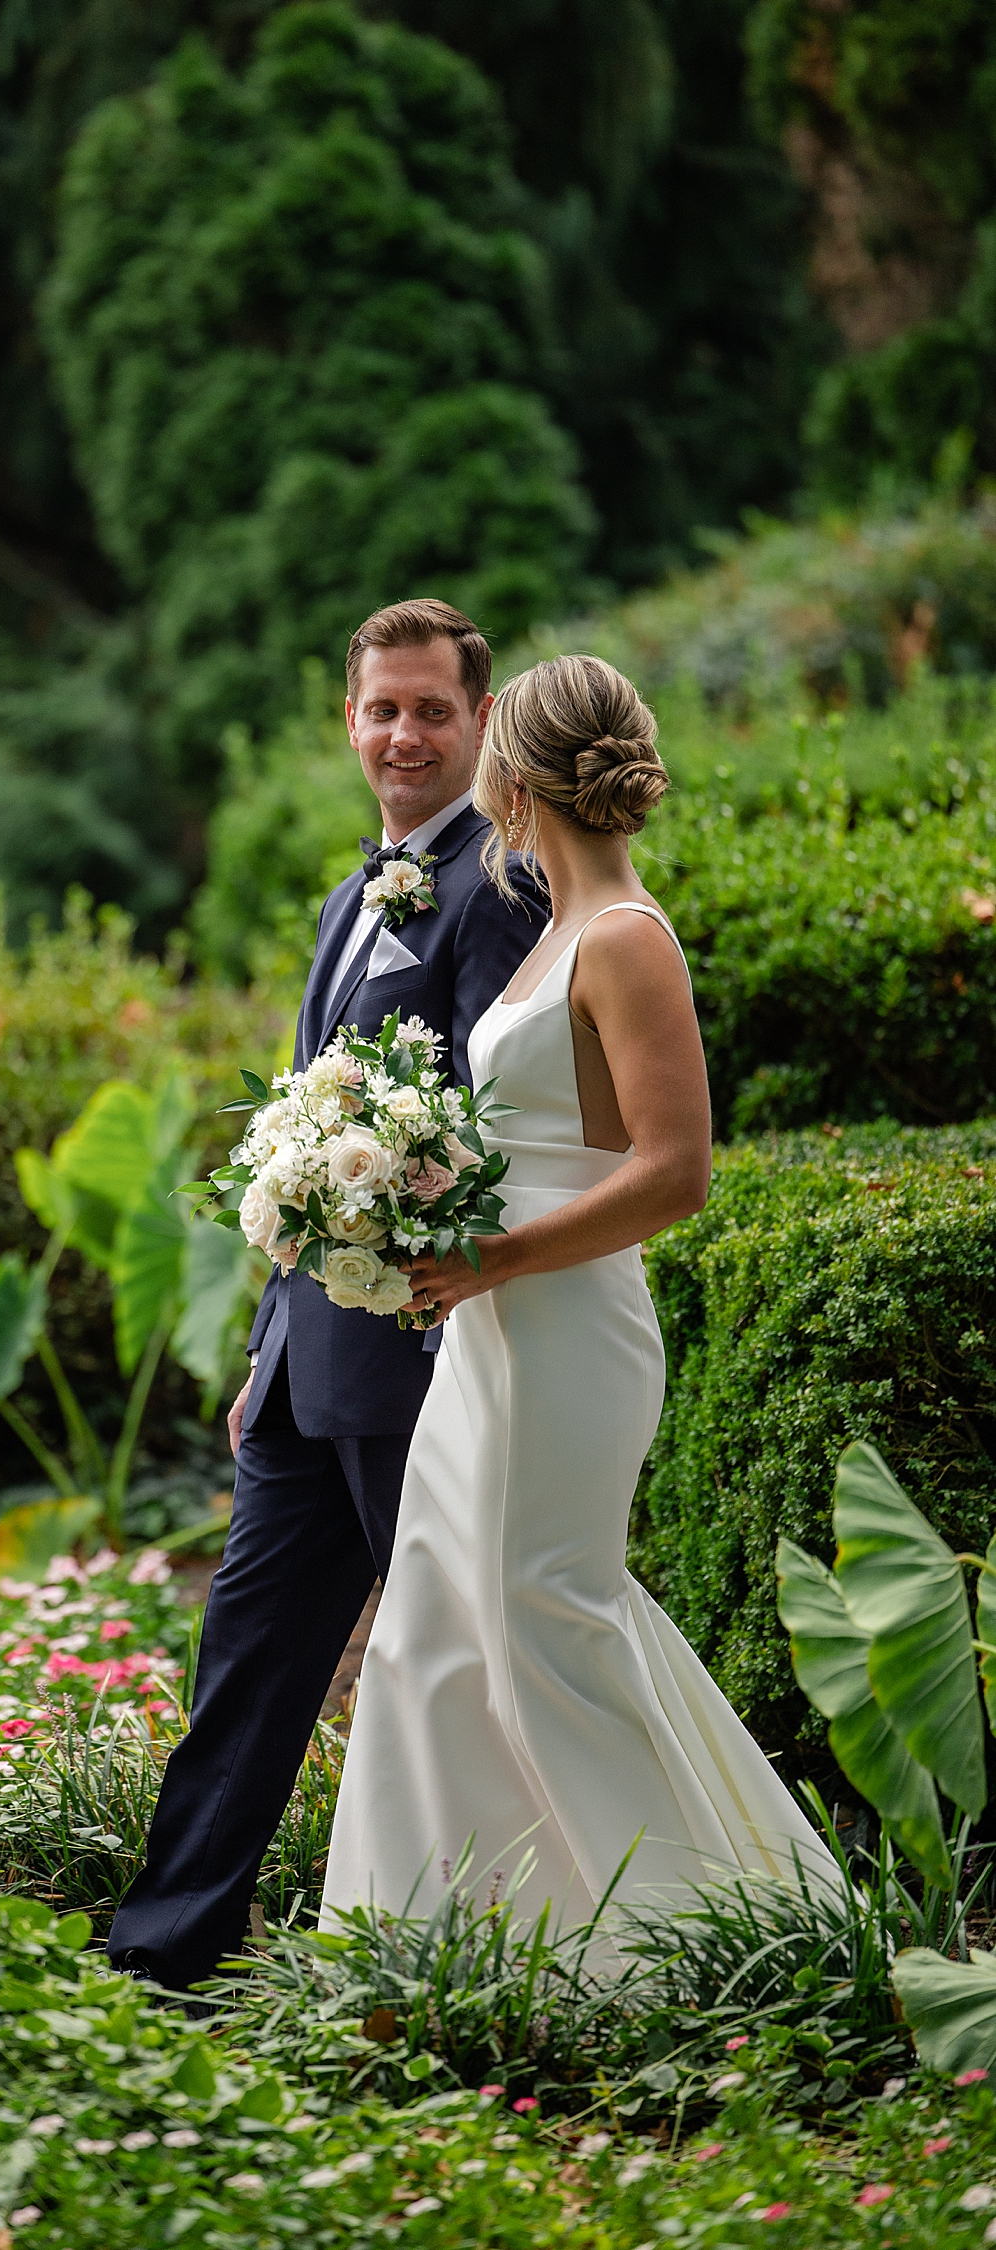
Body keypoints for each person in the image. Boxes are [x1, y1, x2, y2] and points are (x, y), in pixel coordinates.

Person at [320, 654, 835, 1929]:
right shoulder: (551, 927)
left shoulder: (625, 940)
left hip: (567, 1332)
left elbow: (676, 1173)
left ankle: (685, 1933)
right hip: (488, 1330)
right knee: (433, 1629)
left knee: (551, 1630)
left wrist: (489, 1256)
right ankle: (452, 1931)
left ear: (512, 775)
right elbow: (535, 1137)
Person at [107, 599, 546, 1993]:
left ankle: (505, 1944)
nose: (403, 733)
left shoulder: (503, 888)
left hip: (425, 1353)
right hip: (307, 1360)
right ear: (348, 721)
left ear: (480, 722)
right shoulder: (343, 902)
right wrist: (261, 1345)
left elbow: (490, 1137)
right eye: (380, 709)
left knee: (459, 1662)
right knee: (246, 1655)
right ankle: (168, 1946)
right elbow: (307, 1135)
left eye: (429, 708)